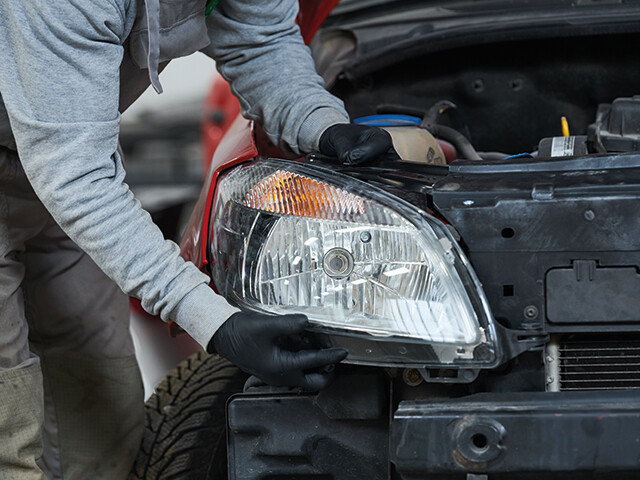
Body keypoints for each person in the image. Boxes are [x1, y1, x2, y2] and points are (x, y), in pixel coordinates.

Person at [0, 0, 392, 478]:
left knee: (107, 416)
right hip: (68, 167)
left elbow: (260, 40)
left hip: (59, 157)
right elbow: (75, 178)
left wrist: (322, 124)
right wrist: (214, 323)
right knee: (11, 437)